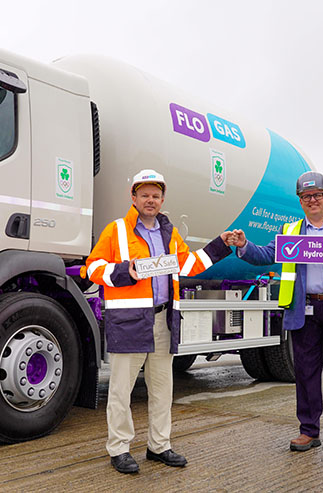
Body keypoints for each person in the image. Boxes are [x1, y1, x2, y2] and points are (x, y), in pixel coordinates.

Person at [84, 169, 233, 474]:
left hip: (163, 320)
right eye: (145, 195)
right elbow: (92, 267)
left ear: (163, 199)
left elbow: (189, 264)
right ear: (134, 198)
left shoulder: (169, 233)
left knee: (162, 389)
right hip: (129, 321)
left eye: (155, 195)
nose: (150, 200)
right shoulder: (116, 230)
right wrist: (127, 271)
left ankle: (159, 446)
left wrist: (221, 244)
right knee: (121, 391)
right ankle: (119, 449)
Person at [230, 171, 323, 455]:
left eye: (317, 195)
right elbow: (265, 254)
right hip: (304, 311)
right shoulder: (290, 231)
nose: (312, 200)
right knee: (306, 373)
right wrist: (244, 246)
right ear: (300, 200)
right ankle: (308, 431)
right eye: (306, 197)